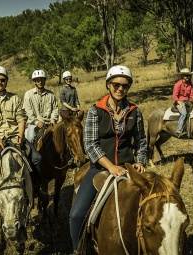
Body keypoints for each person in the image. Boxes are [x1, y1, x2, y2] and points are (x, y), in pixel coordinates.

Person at [69, 65, 147, 254]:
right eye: (116, 84)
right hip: (100, 169)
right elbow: (90, 145)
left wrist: (141, 161)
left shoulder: (135, 112)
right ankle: (78, 249)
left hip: (129, 168)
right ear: (108, 85)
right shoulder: (96, 111)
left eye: (125, 86)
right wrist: (111, 166)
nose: (120, 89)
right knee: (76, 214)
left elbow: (141, 141)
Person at [0, 66, 48, 201]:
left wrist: (20, 136)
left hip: (14, 137)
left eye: (2, 80)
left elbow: (21, 119)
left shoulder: (15, 99)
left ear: (6, 81)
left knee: (36, 158)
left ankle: (36, 189)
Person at [24, 70, 59, 144]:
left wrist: (53, 120)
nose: (40, 82)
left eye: (42, 79)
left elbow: (55, 109)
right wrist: (36, 122)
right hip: (34, 124)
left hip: (49, 123)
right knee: (30, 138)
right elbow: (28, 111)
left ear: (44, 81)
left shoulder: (51, 95)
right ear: (34, 81)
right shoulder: (28, 94)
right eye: (38, 80)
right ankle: (29, 155)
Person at [173, 67, 193, 138]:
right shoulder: (177, 85)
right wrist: (180, 104)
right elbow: (175, 96)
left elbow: (192, 93)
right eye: (186, 75)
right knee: (184, 114)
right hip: (179, 102)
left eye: (188, 75)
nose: (187, 77)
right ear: (182, 76)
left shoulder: (190, 84)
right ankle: (179, 130)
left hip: (187, 102)